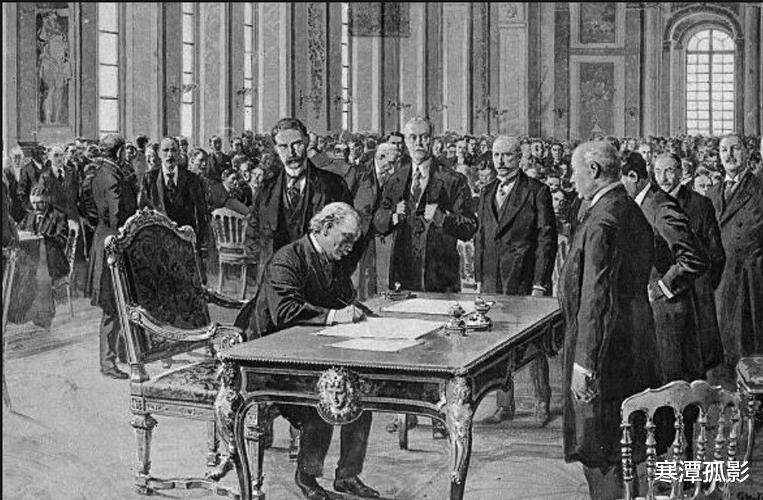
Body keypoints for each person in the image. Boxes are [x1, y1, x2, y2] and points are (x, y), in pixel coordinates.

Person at [233, 203, 379, 500]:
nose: (350, 248)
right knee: (325, 396)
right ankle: (307, 479)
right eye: (346, 238)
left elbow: (346, 299)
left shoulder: (332, 258)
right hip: (268, 357)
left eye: (354, 241)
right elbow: (285, 312)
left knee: (360, 394)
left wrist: (366, 316)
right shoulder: (287, 258)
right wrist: (334, 316)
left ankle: (348, 475)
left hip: (309, 351)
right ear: (326, 227)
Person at [559, 141, 661, 499]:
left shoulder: (603, 218)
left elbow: (595, 298)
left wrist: (584, 363)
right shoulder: (628, 208)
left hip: (603, 352)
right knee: (624, 446)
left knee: (600, 450)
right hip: (632, 343)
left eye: (574, 172)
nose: (571, 180)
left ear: (593, 170)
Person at [473, 135, 558, 426]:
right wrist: (479, 280)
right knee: (499, 345)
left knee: (534, 345)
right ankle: (504, 405)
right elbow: (481, 237)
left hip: (524, 280)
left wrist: (540, 284)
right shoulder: (486, 191)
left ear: (519, 158)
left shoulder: (537, 191)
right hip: (492, 280)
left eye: (507, 155)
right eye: (497, 155)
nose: (501, 161)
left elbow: (546, 240)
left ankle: (541, 402)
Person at [620, 152, 709, 383]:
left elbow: (694, 257)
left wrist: (662, 287)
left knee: (672, 382)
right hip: (650, 309)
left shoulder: (659, 206)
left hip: (668, 310)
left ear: (633, 176)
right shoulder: (639, 203)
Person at [373, 117, 477, 293]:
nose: (418, 143)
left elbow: (470, 227)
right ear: (406, 142)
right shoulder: (395, 179)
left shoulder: (453, 180)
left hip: (440, 277)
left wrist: (442, 219)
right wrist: (393, 217)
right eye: (413, 137)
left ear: (432, 140)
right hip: (403, 275)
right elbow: (378, 222)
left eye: (424, 137)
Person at [243, 118, 354, 282]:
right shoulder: (266, 189)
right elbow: (252, 236)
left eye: (297, 144)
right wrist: (268, 263)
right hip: (275, 282)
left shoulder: (333, 185)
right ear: (276, 149)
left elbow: (349, 236)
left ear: (307, 141)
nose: (291, 153)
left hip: (319, 283)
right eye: (283, 146)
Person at [652, 153, 724, 378]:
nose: (663, 178)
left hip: (696, 293)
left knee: (695, 362)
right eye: (658, 171)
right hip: (666, 299)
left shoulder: (700, 204)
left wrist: (703, 286)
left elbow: (716, 254)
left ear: (680, 173)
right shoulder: (651, 203)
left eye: (669, 171)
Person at [706, 135, 763, 388]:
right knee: (720, 351)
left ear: (747, 153)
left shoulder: (759, 189)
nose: (729, 155)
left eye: (735, 149)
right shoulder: (712, 193)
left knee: (747, 351)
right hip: (719, 282)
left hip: (749, 283)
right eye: (724, 150)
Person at [84, 134, 138, 380]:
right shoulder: (112, 176)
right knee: (112, 305)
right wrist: (130, 233)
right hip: (113, 244)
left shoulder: (102, 173)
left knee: (118, 303)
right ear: (118, 152)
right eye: (124, 150)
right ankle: (108, 362)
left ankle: (122, 354)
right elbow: (117, 216)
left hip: (104, 238)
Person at [138, 137, 210, 279]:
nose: (170, 155)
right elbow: (143, 212)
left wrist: (201, 244)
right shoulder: (149, 178)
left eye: (174, 150)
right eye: (166, 150)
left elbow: (201, 214)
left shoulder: (192, 179)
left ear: (179, 153)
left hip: (185, 243)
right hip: (159, 243)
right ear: (159, 154)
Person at [352, 142, 399, 300]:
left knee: (369, 270)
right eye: (390, 163)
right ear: (380, 157)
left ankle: (367, 302)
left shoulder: (390, 176)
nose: (392, 167)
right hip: (355, 229)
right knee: (355, 271)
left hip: (372, 230)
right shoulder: (359, 172)